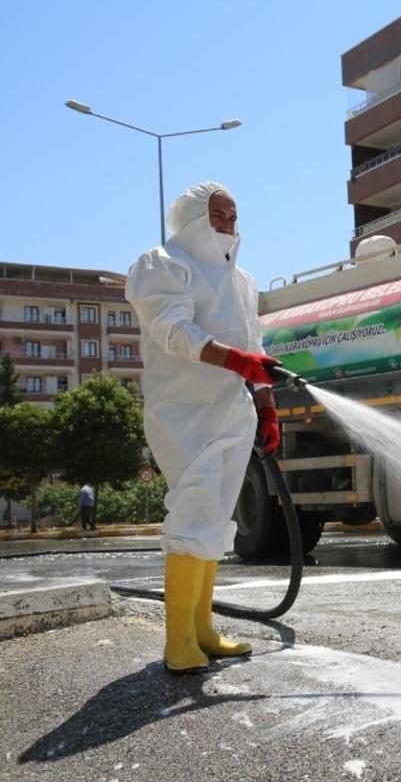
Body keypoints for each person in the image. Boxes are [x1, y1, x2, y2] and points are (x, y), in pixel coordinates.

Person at [125, 182, 282, 674]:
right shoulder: (163, 263)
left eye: (233, 216)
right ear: (193, 218)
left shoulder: (243, 281)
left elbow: (255, 345)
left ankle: (203, 630)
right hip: (184, 412)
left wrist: (266, 404)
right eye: (218, 215)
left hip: (232, 411)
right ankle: (178, 644)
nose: (229, 225)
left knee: (214, 518)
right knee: (193, 510)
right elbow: (173, 330)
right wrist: (239, 362)